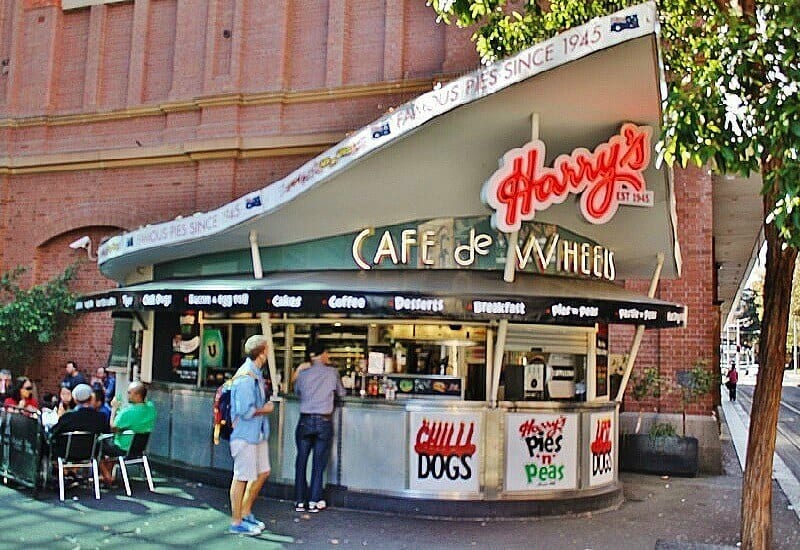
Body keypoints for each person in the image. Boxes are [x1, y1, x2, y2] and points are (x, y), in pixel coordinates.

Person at [227, 335, 274, 536]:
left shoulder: (255, 374)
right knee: (242, 477)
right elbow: (245, 410)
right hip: (245, 435)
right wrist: (266, 409)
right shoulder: (246, 377)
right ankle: (236, 521)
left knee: (263, 472)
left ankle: (245, 512)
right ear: (262, 352)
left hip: (257, 433)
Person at [293, 342, 345, 514]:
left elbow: (297, 392)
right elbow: (342, 393)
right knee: (318, 462)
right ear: (322, 355)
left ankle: (300, 500)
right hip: (324, 421)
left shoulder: (302, 373)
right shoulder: (332, 373)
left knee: (301, 461)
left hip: (305, 420)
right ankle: (315, 500)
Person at [49, 383, 110, 457]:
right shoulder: (100, 417)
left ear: (75, 400)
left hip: (67, 455)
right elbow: (106, 435)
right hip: (91, 454)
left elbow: (53, 433)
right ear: (91, 398)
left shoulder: (68, 417)